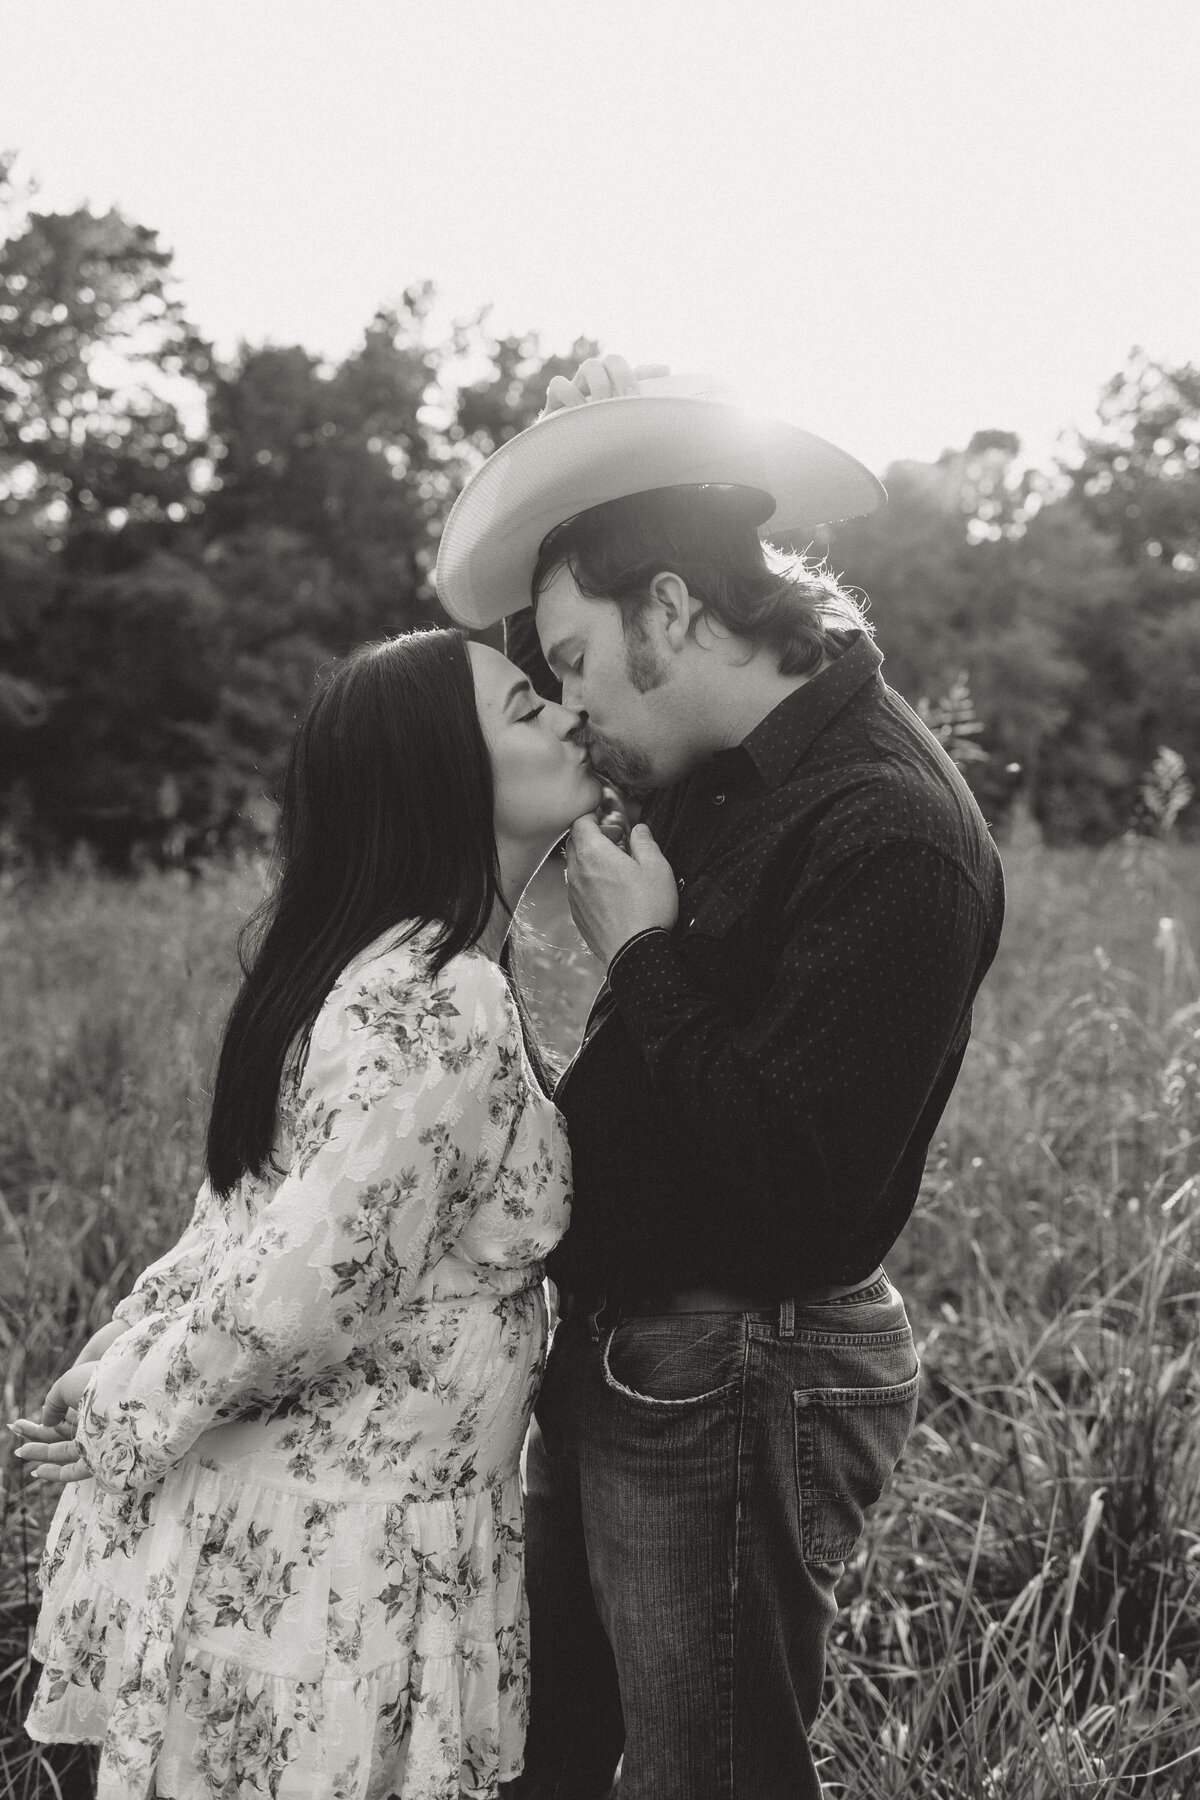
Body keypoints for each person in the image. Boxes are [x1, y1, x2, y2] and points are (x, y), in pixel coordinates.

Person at [436, 360, 1006, 1800]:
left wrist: (643, 960)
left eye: (570, 661)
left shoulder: (890, 830)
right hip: (631, 1351)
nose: (570, 708)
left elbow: (798, 1182)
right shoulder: (724, 772)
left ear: (675, 610)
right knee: (536, 1753)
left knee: (712, 1775)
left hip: (737, 1367)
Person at [10, 628, 602, 1800]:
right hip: (321, 1553)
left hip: (311, 1533)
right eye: (529, 709)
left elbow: (233, 1223)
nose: (573, 717)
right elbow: (308, 1290)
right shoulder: (438, 994)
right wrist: (131, 1400)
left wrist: (122, 1356)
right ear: (441, 775)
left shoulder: (369, 973)